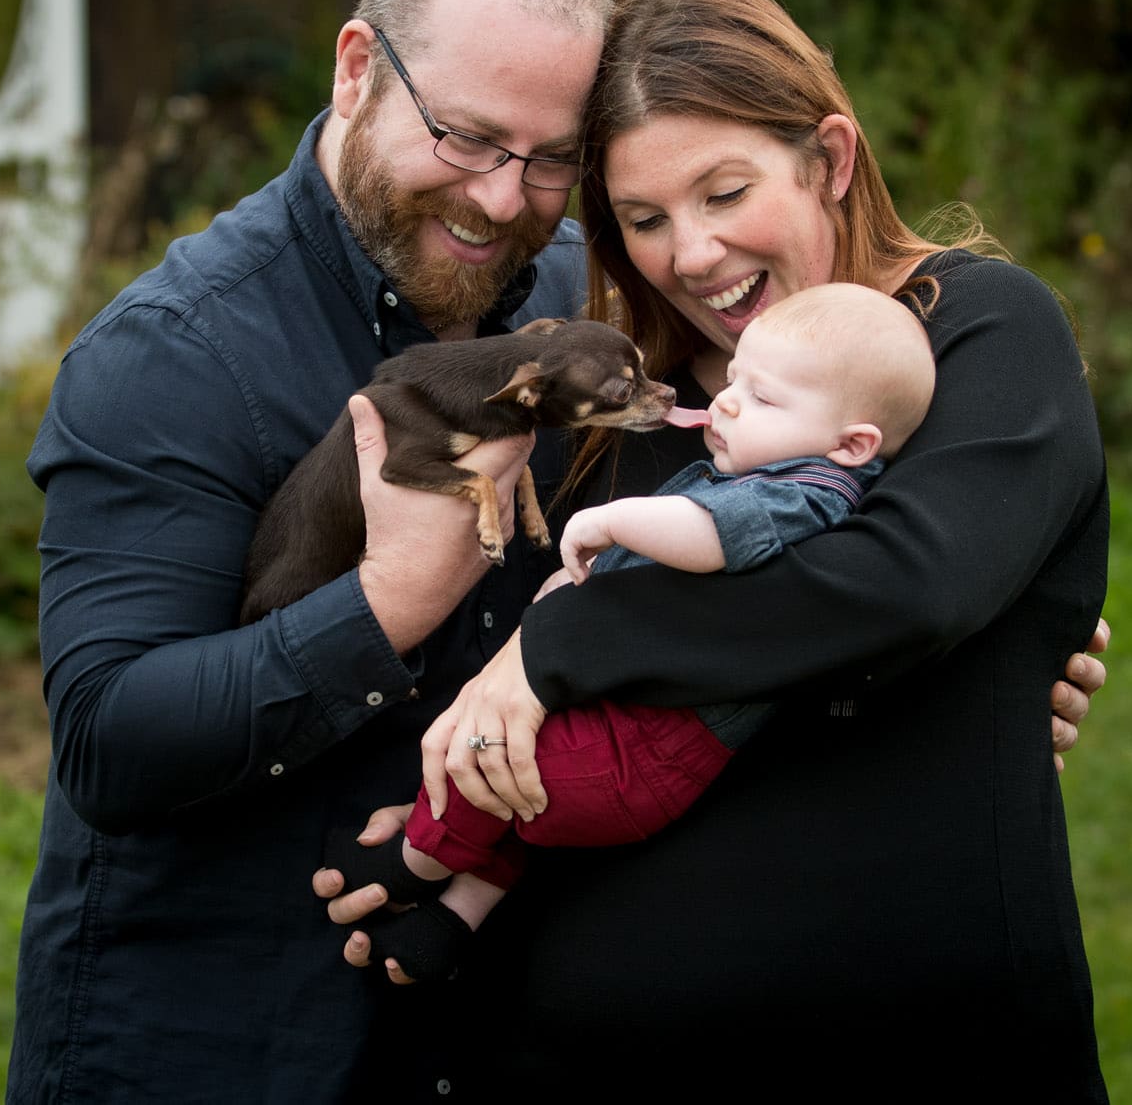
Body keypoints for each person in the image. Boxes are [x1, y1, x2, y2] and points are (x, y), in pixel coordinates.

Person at [12, 0, 1105, 1102]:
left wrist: (977, 682)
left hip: (744, 1033)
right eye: (469, 139)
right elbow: (112, 734)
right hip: (231, 1031)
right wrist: (395, 625)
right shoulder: (182, 356)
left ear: (829, 159)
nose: (498, 198)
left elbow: (858, 599)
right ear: (359, 68)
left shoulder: (607, 341)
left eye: (544, 164)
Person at [325, 0, 1112, 1099]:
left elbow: (899, 586)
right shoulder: (628, 413)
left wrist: (556, 650)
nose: (688, 254)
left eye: (723, 192)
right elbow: (555, 708)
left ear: (829, 161)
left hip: (924, 1047)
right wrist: (470, 796)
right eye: (642, 219)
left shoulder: (977, 333)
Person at [336, 282, 936, 983]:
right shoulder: (798, 478)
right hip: (642, 750)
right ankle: (456, 917)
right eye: (735, 377)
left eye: (763, 398)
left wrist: (610, 522)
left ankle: (413, 861)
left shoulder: (804, 495)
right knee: (529, 799)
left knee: (499, 768)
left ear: (852, 443)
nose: (728, 401)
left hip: (643, 747)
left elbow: (710, 534)